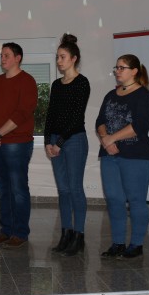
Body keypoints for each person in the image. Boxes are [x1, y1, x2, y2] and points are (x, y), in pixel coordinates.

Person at [95, 54, 149, 259]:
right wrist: (106, 140)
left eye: (122, 68)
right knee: (114, 199)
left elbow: (139, 126)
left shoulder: (142, 95)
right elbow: (100, 121)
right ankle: (118, 243)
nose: (118, 71)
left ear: (134, 71)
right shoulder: (110, 95)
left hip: (137, 155)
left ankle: (137, 244)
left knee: (136, 199)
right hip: (109, 155)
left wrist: (111, 138)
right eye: (116, 67)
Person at [0, 42, 38, 249]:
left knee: (18, 188)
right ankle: (6, 231)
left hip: (17, 143)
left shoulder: (27, 81)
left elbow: (23, 113)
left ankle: (20, 233)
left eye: (6, 55)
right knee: (4, 189)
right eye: (1, 55)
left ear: (18, 58)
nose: (2, 58)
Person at [44, 33, 90, 257]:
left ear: (73, 59)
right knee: (63, 190)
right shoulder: (56, 84)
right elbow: (51, 115)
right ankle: (66, 233)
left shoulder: (82, 83)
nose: (59, 61)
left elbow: (75, 117)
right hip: (56, 141)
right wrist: (48, 141)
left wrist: (60, 142)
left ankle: (79, 236)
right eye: (57, 57)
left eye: (62, 57)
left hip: (74, 140)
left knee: (75, 188)